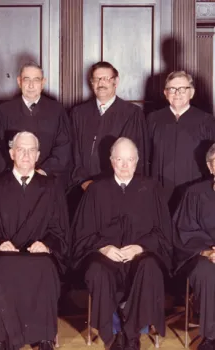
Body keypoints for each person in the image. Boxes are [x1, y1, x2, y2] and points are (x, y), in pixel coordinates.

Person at [71, 137, 172, 350]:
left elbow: (163, 232)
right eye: (119, 159)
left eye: (130, 160)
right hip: (106, 256)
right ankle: (115, 333)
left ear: (137, 161)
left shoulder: (151, 188)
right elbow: (82, 233)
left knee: (150, 267)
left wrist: (140, 247)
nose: (125, 165)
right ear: (111, 161)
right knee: (97, 270)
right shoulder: (97, 190)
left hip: (141, 255)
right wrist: (104, 248)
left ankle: (133, 333)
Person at [0, 131, 69, 350]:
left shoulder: (51, 187)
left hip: (40, 255)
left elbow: (61, 229)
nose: (26, 155)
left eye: (31, 150)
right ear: (11, 153)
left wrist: (47, 244)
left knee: (45, 264)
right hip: (6, 254)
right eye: (21, 150)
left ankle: (45, 337)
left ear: (38, 155)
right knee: (2, 264)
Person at [70, 61, 149, 192]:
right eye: (97, 79)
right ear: (92, 83)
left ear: (116, 82)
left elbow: (135, 156)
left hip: (117, 189)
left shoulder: (132, 114)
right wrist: (83, 181)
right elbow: (74, 152)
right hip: (84, 188)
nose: (101, 83)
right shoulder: (79, 113)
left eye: (106, 78)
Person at [0, 62, 71, 186]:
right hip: (12, 182)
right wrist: (11, 177)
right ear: (19, 81)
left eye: (36, 80)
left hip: (47, 180)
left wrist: (43, 172)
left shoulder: (56, 110)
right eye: (26, 80)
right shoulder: (4, 111)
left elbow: (63, 147)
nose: (31, 85)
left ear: (43, 83)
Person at [148, 71, 215, 214]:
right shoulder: (152, 119)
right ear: (165, 93)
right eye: (172, 89)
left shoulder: (206, 121)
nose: (177, 93)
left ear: (191, 93)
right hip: (160, 188)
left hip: (193, 188)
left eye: (182, 89)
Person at [174, 143, 215, 350]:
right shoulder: (195, 193)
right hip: (205, 255)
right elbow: (185, 231)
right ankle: (211, 337)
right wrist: (207, 251)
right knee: (207, 272)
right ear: (211, 167)